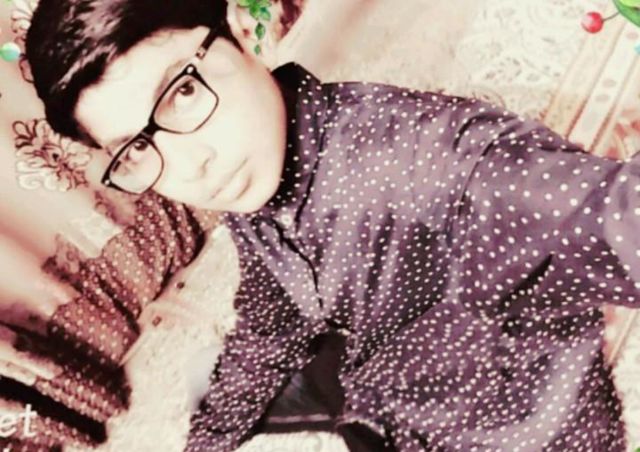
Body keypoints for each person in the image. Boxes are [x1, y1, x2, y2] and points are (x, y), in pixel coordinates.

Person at [23, 0, 640, 450]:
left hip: (519, 428)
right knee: (214, 376)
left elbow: (616, 217)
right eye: (137, 147)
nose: (189, 166)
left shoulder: (447, 169)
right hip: (385, 385)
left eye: (182, 92)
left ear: (243, 29)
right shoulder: (252, 175)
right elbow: (271, 309)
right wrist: (209, 439)